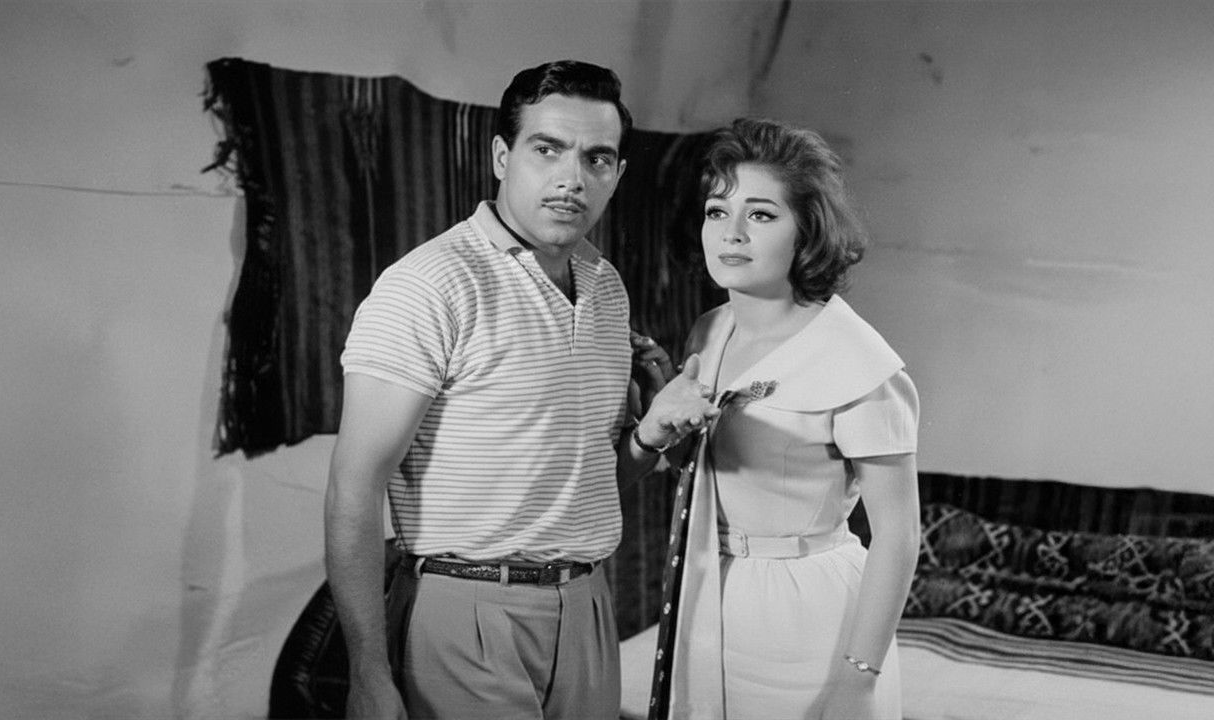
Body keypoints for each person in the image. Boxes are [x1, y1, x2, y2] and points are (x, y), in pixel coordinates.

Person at [324, 59, 716, 720]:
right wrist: (367, 671)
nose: (572, 178)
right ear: (502, 157)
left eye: (596, 158)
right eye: (547, 149)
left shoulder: (606, 288)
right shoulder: (429, 285)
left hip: (587, 607)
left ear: (617, 174)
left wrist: (648, 436)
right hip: (466, 611)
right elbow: (352, 487)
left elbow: (581, 485)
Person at [647, 118, 921, 720]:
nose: (733, 232)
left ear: (806, 232)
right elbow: (708, 476)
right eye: (718, 211)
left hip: (809, 612)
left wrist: (858, 679)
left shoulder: (859, 361)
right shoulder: (709, 331)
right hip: (707, 591)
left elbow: (899, 537)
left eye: (761, 214)